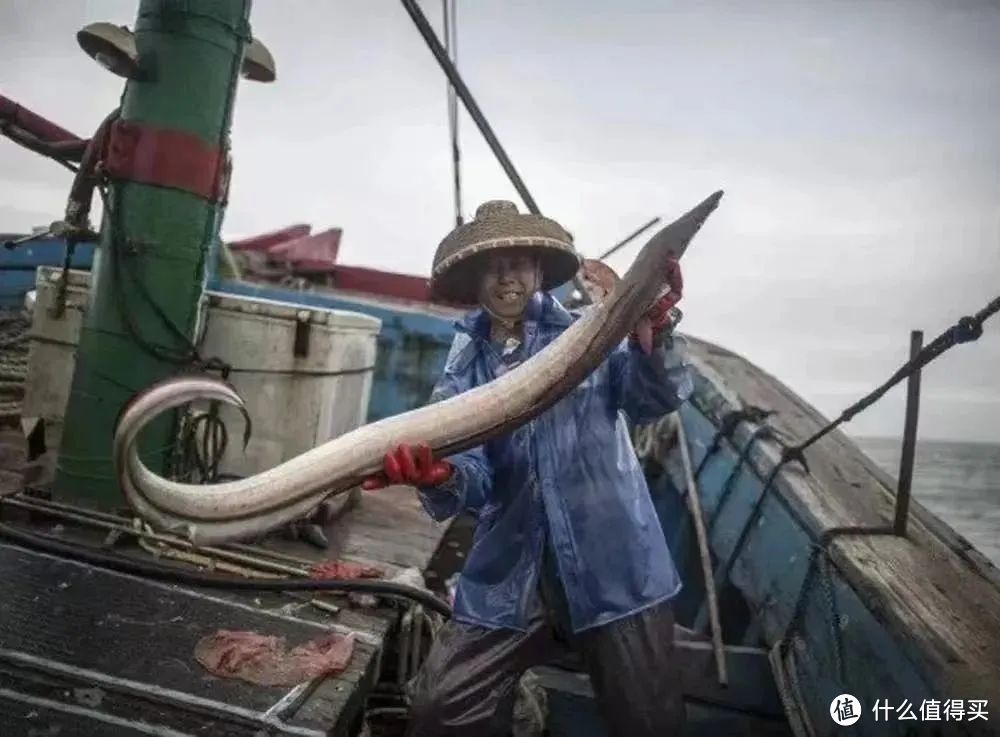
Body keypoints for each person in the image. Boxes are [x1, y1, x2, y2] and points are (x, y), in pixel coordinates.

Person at [362, 200, 693, 737]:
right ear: (475, 282)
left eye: (518, 262)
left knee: (650, 722)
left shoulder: (591, 335)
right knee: (440, 709)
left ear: (540, 272)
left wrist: (656, 333)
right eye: (491, 266)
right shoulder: (462, 371)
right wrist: (439, 476)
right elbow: (471, 482)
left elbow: (657, 395)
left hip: (615, 563)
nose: (506, 277)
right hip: (511, 572)